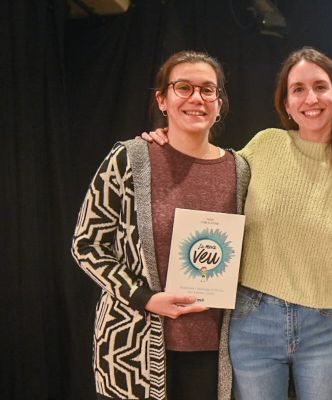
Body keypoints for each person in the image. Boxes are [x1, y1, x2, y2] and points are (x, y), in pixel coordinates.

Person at [144, 47, 332, 400]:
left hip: (327, 329)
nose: (310, 98)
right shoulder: (265, 146)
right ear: (287, 104)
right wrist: (165, 143)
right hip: (254, 322)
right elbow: (210, 170)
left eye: (320, 87)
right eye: (298, 89)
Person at [72, 50, 249, 400]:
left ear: (219, 103)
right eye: (183, 87)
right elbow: (87, 244)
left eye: (207, 90)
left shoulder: (240, 170)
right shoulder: (130, 159)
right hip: (135, 346)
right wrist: (145, 298)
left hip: (216, 352)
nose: (196, 98)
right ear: (162, 100)